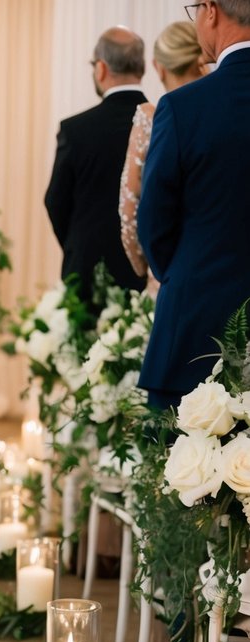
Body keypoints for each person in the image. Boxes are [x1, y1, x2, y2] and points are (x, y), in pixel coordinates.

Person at [138, 0, 250, 410]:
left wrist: (185, 276)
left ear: (212, 11)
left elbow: (152, 222)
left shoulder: (182, 107)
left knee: (177, 470)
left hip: (192, 335)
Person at [44, 27, 148, 302]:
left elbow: (55, 201)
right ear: (143, 68)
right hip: (146, 271)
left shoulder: (75, 129)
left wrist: (79, 243)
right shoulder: (163, 121)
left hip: (86, 271)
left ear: (101, 68)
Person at [119, 21, 205, 295]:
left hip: (171, 278)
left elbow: (130, 215)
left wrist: (150, 272)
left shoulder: (151, 118)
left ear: (158, 66)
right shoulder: (223, 112)